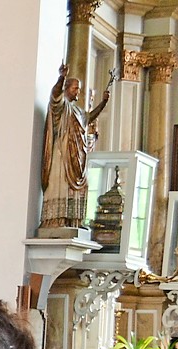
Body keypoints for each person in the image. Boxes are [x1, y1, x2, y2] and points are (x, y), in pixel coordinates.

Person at [40, 64, 111, 231]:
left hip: (78, 156)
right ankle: (56, 219)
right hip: (62, 153)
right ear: (67, 88)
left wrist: (103, 103)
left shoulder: (78, 111)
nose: (78, 92)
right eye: (75, 88)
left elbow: (89, 117)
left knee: (80, 185)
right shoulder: (61, 105)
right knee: (60, 183)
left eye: (79, 89)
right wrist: (61, 78)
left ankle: (73, 220)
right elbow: (55, 94)